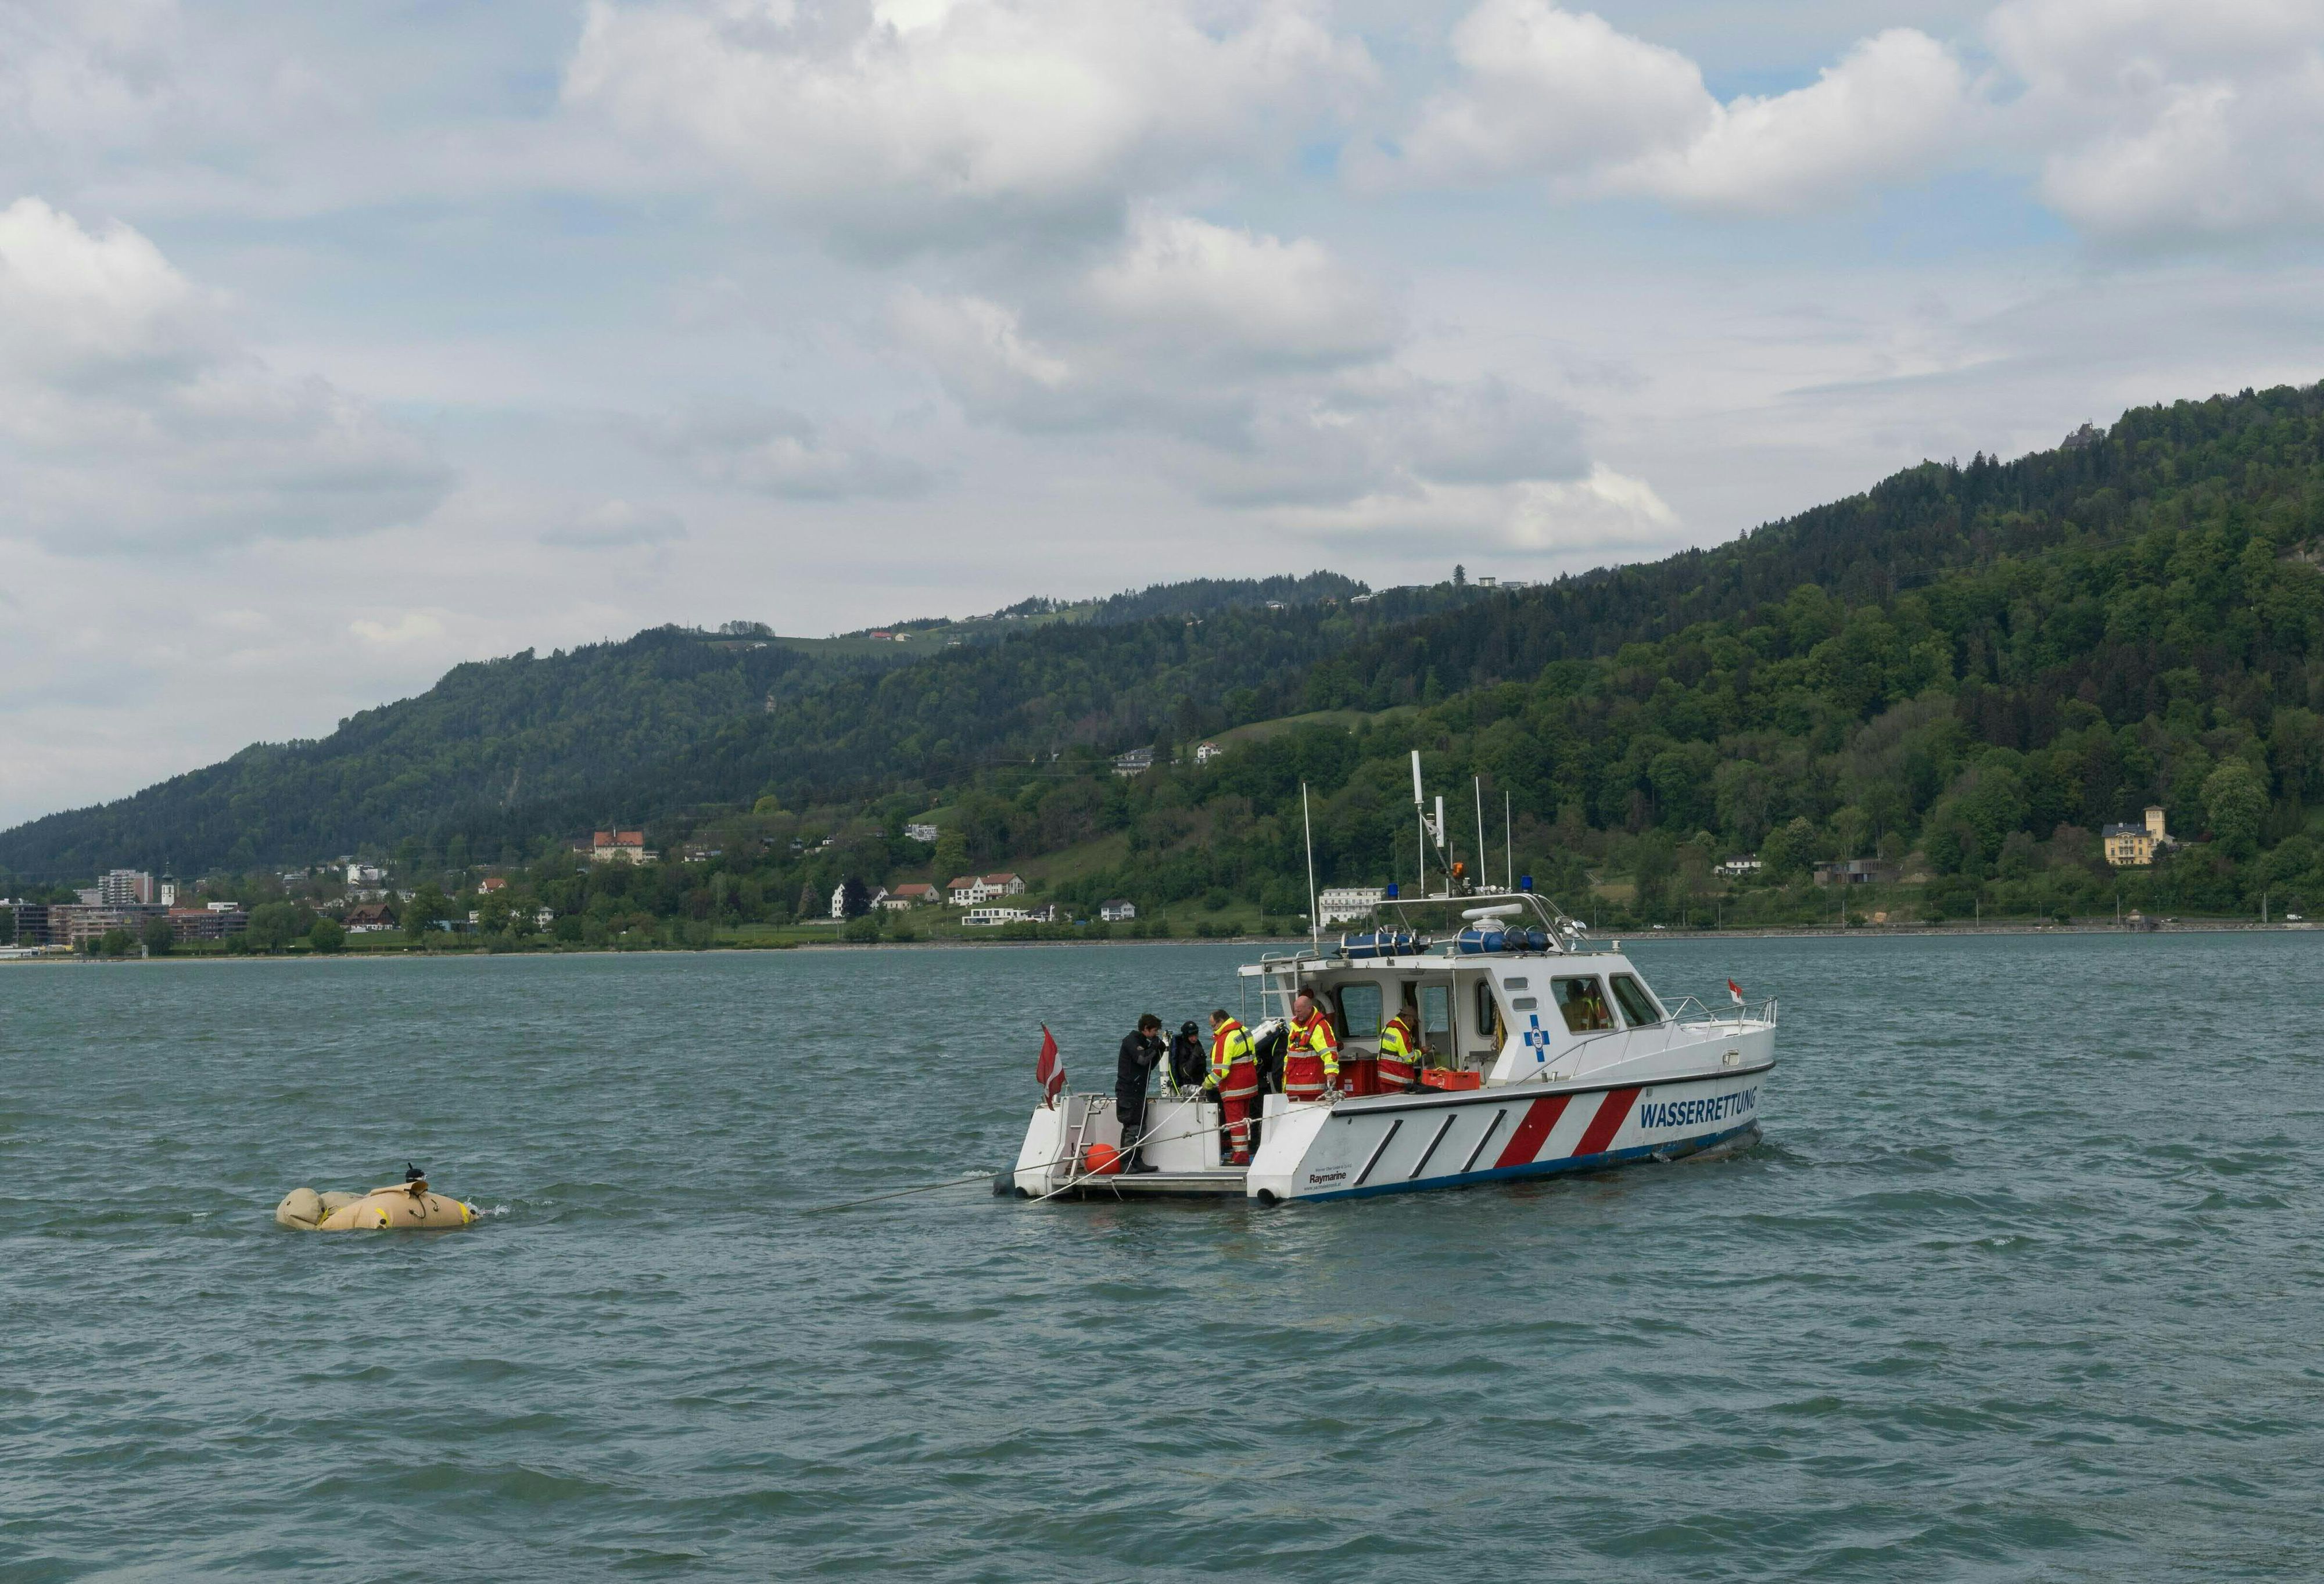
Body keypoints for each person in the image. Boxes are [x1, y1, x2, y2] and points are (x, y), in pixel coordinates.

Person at [1205, 1008, 1260, 1166]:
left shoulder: (1225, 1039)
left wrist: (1206, 1084)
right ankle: (1242, 1153)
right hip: (1249, 1083)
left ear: (1221, 1022)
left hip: (1234, 1087)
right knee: (1244, 1121)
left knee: (1235, 1124)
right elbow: (1254, 1059)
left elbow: (1220, 1071)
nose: (1213, 1029)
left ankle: (1239, 1158)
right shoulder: (1245, 1031)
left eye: (1213, 1025)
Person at [1114, 1014, 1165, 1172]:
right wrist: (1154, 1047)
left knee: (1141, 1127)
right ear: (1146, 1029)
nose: (1156, 1034)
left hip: (1139, 1092)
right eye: (1155, 1031)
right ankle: (1126, 1163)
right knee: (1132, 1127)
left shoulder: (1144, 1043)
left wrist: (1159, 1050)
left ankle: (1137, 1160)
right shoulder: (1131, 1041)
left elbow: (1149, 1065)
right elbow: (1142, 1060)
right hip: (1128, 1092)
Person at [1283, 989, 1340, 1103]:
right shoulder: (1295, 1026)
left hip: (1312, 1087)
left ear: (1309, 1009)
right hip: (1293, 1085)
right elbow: (1289, 1055)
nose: (1297, 1015)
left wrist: (1331, 1074)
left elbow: (1330, 1053)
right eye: (1296, 1012)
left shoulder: (1320, 1027)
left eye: (1299, 1011)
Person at [1377, 992, 1421, 1093]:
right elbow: (1410, 1059)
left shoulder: (1388, 1028)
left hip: (1384, 1077)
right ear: (1408, 1019)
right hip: (1397, 1079)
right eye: (1414, 1021)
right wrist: (1422, 1051)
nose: (1414, 1024)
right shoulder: (1402, 1033)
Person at [1168, 1020, 1208, 1094]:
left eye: (1196, 1035)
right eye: (1191, 1036)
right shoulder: (1182, 1049)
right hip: (1188, 1086)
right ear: (1186, 1036)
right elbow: (1185, 1073)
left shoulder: (1197, 1045)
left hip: (1200, 1081)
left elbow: (1202, 1068)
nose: (1194, 1039)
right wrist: (1195, 1055)